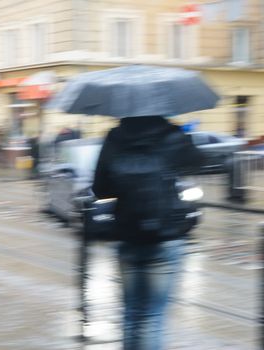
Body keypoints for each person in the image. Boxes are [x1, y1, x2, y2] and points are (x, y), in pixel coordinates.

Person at [92, 116, 204, 350]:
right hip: (165, 236)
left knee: (131, 313)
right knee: (152, 318)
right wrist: (183, 134)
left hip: (127, 234)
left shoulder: (115, 137)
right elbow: (197, 163)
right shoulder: (171, 134)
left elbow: (100, 189)